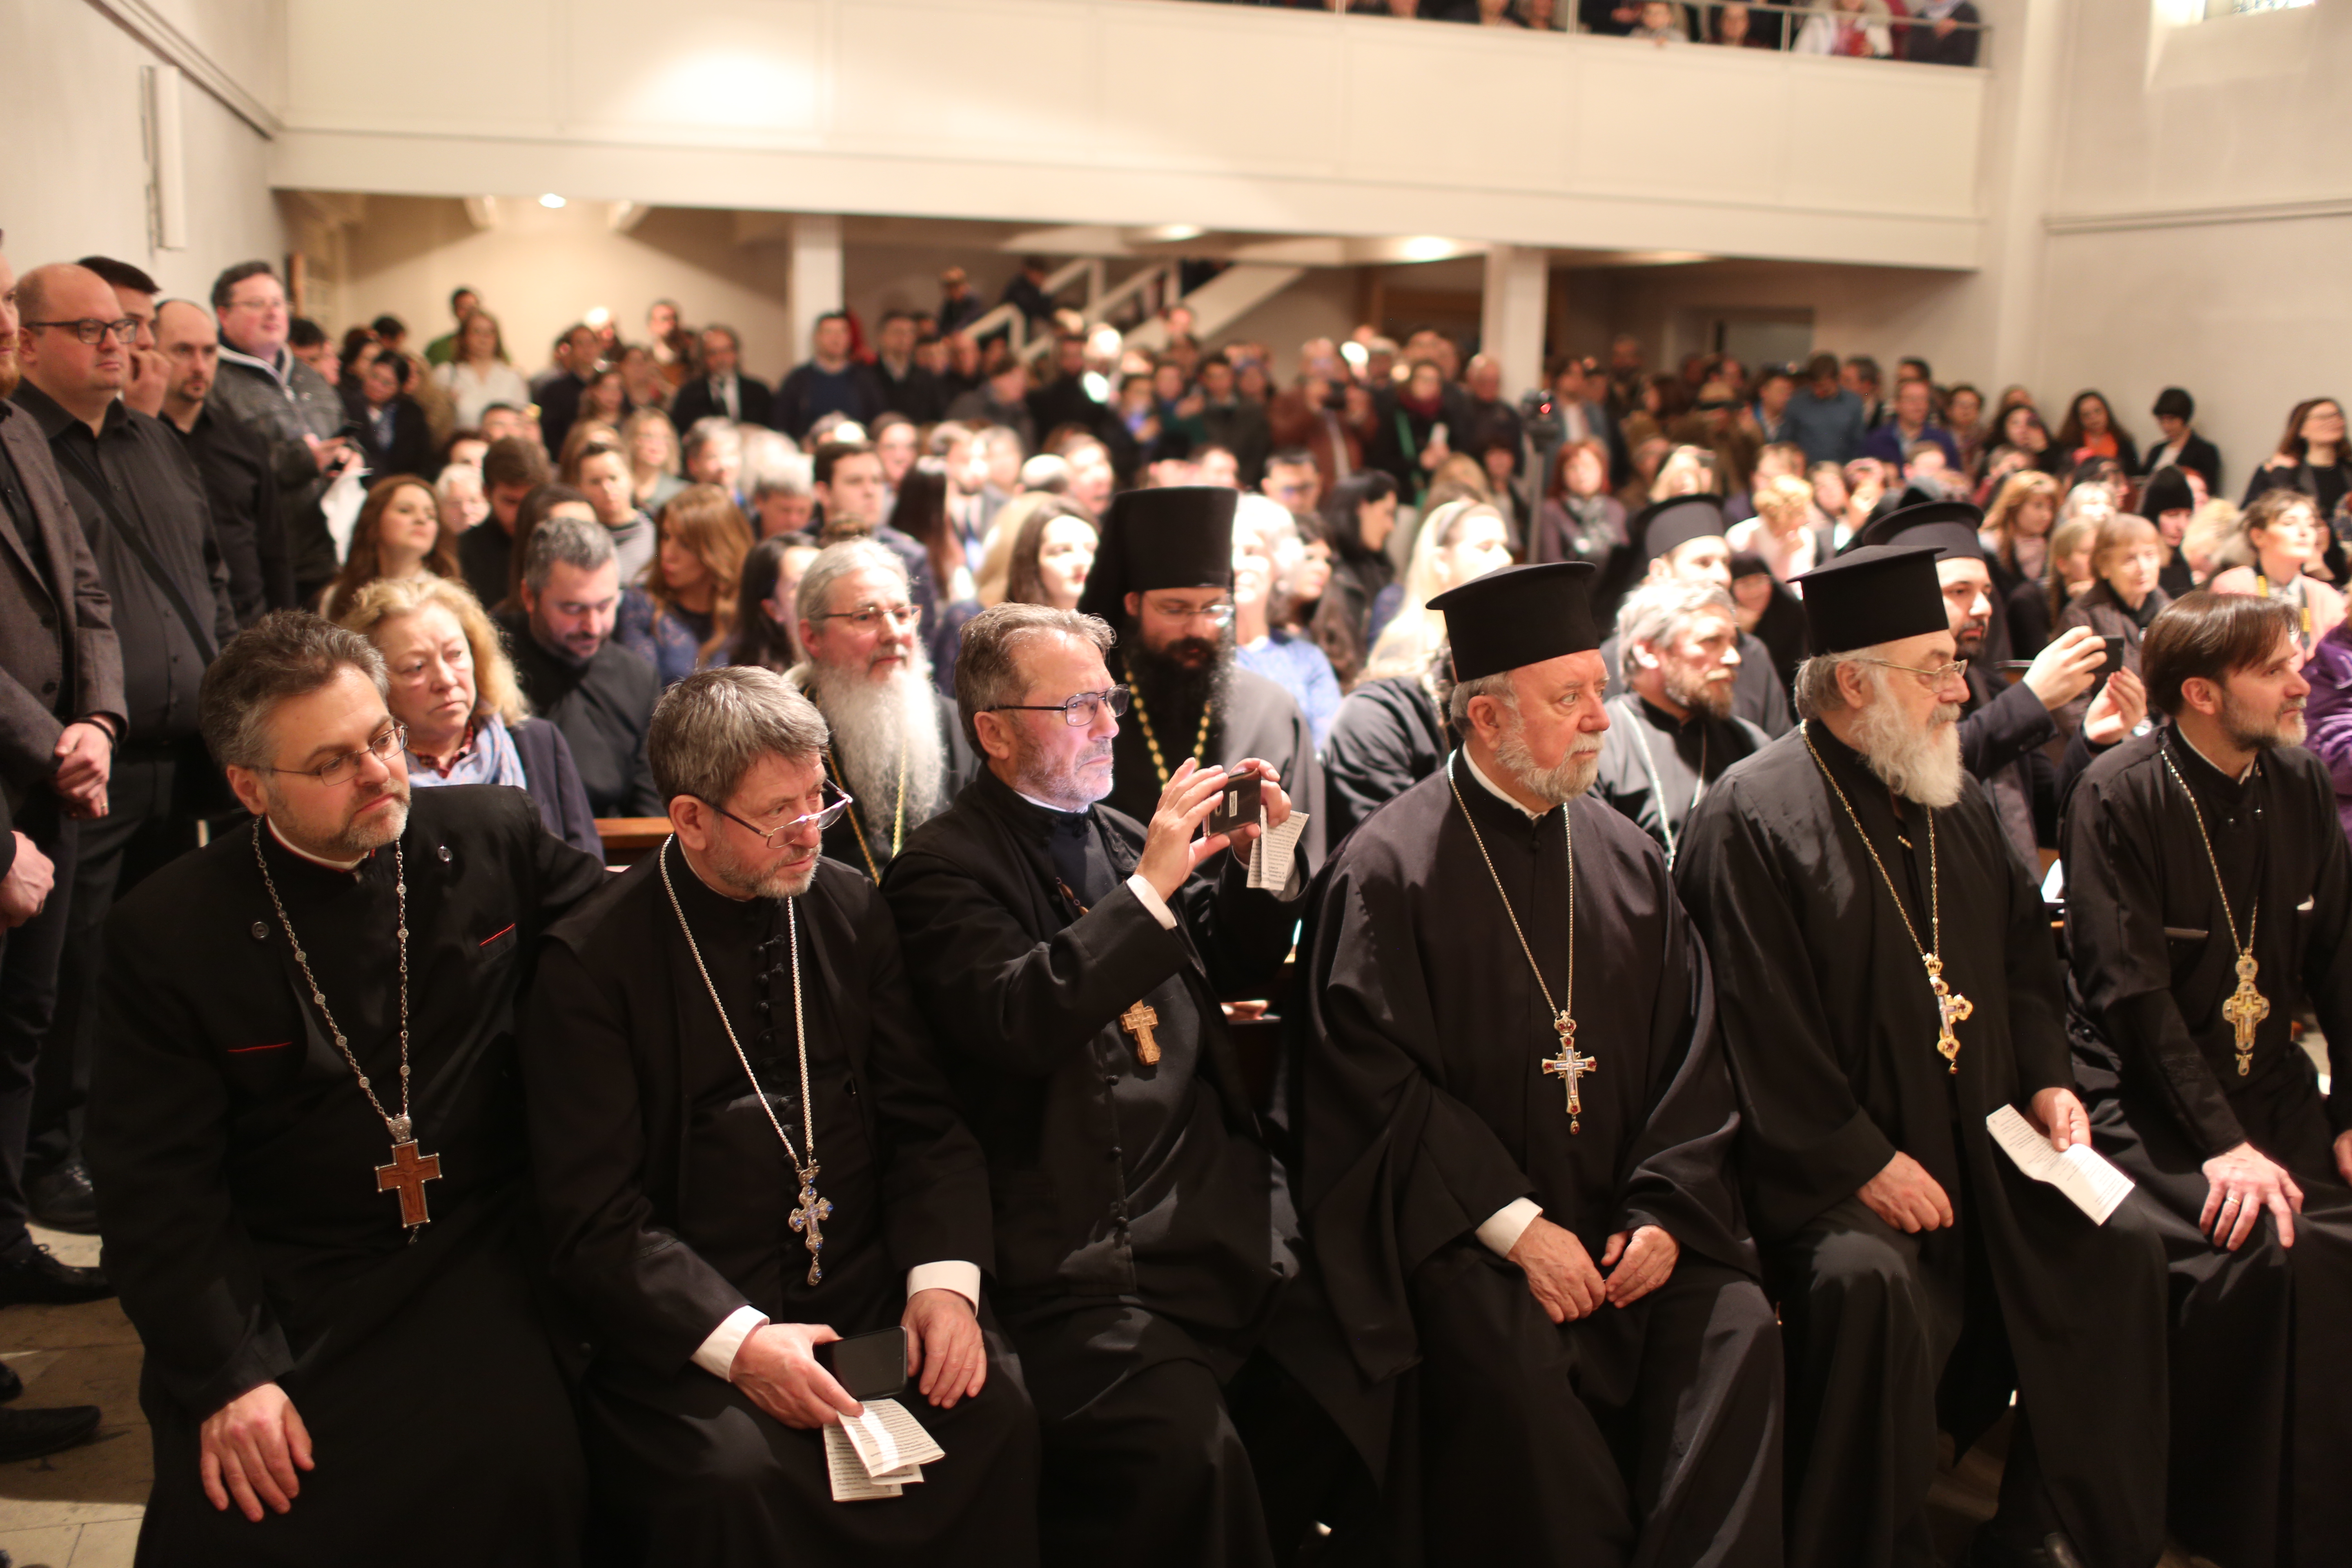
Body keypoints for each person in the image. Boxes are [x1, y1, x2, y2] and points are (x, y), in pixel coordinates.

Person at [1675, 544, 2170, 1568]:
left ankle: (2047, 1525)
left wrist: (2042, 1077)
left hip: (1985, 1131)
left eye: (1953, 663)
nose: (1960, 688)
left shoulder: (1947, 784)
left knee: (2117, 1240)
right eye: (1932, 667)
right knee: (1868, 1284)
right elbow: (1751, 1026)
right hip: (1821, 1162)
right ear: (1852, 682)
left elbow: (2019, 962)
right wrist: (1857, 1159)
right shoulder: (1748, 810)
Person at [86, 611, 608, 1564]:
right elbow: (155, 1188)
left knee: (517, 1466)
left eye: (382, 737)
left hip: (474, 1253)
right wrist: (230, 1374)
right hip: (283, 1279)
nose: (378, 772)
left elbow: (629, 942)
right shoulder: (165, 934)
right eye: (331, 761)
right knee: (248, 1515)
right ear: (248, 786)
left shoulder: (491, 836)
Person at [1301, 560, 1780, 1564]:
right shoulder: (1386, 870)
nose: (1599, 719)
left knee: (1735, 1321)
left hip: (1624, 1221)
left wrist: (1662, 1209)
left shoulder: (1625, 856)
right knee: (1507, 1358)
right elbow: (1371, 1090)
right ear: (1484, 717)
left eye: (1596, 691)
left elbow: (1692, 1055)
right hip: (1473, 1236)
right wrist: (1519, 1231)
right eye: (1567, 698)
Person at [517, 667, 1037, 1564]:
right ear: (690, 819)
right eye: (781, 818)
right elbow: (596, 1221)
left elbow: (926, 1124)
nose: (811, 836)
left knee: (994, 1416)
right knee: (733, 1482)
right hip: (701, 1334)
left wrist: (945, 1287)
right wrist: (745, 1345)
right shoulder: (591, 966)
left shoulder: (845, 906)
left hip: (868, 1300)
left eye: (818, 803)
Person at [881, 601, 1361, 1568]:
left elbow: (1230, 960)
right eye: (1079, 707)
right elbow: (1021, 1016)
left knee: (1359, 1381)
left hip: (1215, 1221)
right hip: (1079, 1260)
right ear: (993, 729)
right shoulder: (939, 871)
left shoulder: (1116, 834)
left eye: (1108, 700)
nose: (1107, 724)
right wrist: (1147, 888)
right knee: (1189, 1453)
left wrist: (1264, 847)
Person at [2061, 592, 2352, 1568]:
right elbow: (2128, 994)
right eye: (2273, 667)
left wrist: (2349, 1109)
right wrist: (2222, 1145)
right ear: (2197, 692)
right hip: (2147, 1098)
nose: (2299, 681)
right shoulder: (2115, 790)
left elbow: (2340, 958)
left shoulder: (2299, 779)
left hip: (2266, 1081)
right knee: (2260, 1254)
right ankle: (2229, 1523)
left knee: (2332, 1233)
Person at [16, 261, 242, 1234]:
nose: (122, 345)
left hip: (183, 746)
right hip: (86, 760)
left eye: (125, 329)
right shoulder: (28, 441)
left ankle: (132, 1136)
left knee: (165, 956)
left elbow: (206, 576)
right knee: (71, 966)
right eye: (94, 329)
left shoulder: (153, 442)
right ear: (33, 342)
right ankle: (50, 1154)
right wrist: (94, 726)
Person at [0, 242, 125, 1316]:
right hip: (15, 780)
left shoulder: (19, 434)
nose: (6, 322)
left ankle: (3, 1246)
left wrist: (101, 718)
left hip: (59, 778)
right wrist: (53, 735)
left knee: (25, 1022)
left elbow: (84, 590)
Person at [1857, 500, 2141, 864]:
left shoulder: (1992, 690)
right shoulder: (1885, 695)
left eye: (1987, 592)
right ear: (1908, 601)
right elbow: (1923, 782)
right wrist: (2031, 699)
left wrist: (2092, 739)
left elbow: (2052, 814)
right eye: (1960, 591)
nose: (1983, 608)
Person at [1077, 488, 1326, 871]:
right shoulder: (1086, 714)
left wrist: (1251, 853)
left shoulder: (1271, 712)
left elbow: (1292, 872)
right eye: (1174, 610)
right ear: (1133, 605)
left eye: (1214, 609)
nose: (1196, 629)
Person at [337, 573, 601, 858]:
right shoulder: (369, 774)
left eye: (455, 654)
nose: (446, 679)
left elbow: (587, 869)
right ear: (377, 686)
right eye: (416, 667)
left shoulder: (538, 742)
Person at [791, 540, 974, 882]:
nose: (894, 633)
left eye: (903, 614)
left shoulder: (956, 723)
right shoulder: (783, 735)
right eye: (866, 617)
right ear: (813, 637)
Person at [207, 263, 356, 608]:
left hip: (330, 554)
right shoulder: (216, 383)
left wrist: (350, 455)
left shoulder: (309, 376)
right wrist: (304, 461)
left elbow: (342, 430)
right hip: (267, 562)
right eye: (257, 304)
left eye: (278, 302)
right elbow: (223, 471)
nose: (273, 312)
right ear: (223, 314)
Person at [499, 514, 665, 818]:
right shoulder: (490, 665)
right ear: (529, 596)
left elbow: (650, 805)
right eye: (573, 609)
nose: (593, 626)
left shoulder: (638, 677)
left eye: (605, 606)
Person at [1593, 579, 1770, 861]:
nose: (1733, 657)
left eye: (1733, 643)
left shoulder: (1751, 744)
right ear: (1649, 651)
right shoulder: (1597, 746)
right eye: (1711, 641)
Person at [1598, 497, 1794, 736]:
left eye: (1725, 562)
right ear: (1660, 573)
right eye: (1703, 563)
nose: (1722, 577)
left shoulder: (1751, 654)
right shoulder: (1610, 661)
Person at [154, 297, 291, 624]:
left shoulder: (242, 439)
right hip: (176, 622)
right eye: (183, 351)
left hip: (249, 619)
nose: (200, 366)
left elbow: (274, 547)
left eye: (209, 352)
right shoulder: (132, 441)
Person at [617, 484, 753, 689]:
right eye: (666, 537)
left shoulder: (747, 613)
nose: (668, 554)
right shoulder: (641, 605)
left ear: (718, 549)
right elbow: (642, 698)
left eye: (686, 544)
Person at [1231, 499, 1340, 749]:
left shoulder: (1306, 659)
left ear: (1279, 564)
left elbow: (1327, 750)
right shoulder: (1200, 657)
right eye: (1226, 553)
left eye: (1251, 552)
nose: (1236, 565)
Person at [2052, 513, 2173, 737]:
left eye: (2150, 555)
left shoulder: (2174, 614)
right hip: (2107, 741)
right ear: (2105, 566)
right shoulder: (2081, 617)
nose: (2142, 567)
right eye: (2129, 560)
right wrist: (2098, 741)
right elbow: (2070, 700)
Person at [2209, 488, 2347, 655]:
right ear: (2258, 536)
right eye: (2289, 523)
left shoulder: (2326, 596)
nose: (2304, 532)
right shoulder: (2234, 586)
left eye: (2311, 525)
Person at [316, 473, 457, 620]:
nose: (422, 519)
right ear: (373, 523)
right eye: (405, 510)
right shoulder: (337, 597)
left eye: (431, 515)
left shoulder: (447, 598)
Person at [773, 313, 883, 441]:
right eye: (829, 332)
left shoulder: (866, 379)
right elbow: (780, 425)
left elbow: (879, 422)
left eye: (842, 332)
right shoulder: (797, 380)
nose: (836, 338)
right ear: (817, 337)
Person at [432, 310, 531, 431]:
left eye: (490, 333)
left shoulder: (512, 375)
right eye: (477, 332)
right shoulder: (447, 373)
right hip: (463, 443)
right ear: (464, 337)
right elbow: (435, 420)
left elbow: (523, 418)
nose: (484, 339)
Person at [670, 325, 771, 433]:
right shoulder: (689, 394)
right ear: (704, 357)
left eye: (726, 350)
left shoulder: (759, 392)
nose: (721, 359)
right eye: (713, 353)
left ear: (736, 353)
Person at [1783, 352, 1866, 466]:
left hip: (1841, 469)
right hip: (1805, 469)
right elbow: (1786, 441)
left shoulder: (1853, 403)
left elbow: (1858, 443)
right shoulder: (1797, 402)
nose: (1818, 391)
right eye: (1814, 386)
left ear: (1837, 380)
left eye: (1824, 387)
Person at [2142, 387, 2221, 495]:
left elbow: (2210, 491)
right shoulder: (2156, 450)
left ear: (2184, 418)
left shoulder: (2205, 451)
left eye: (2171, 420)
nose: (2166, 426)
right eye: (2161, 420)